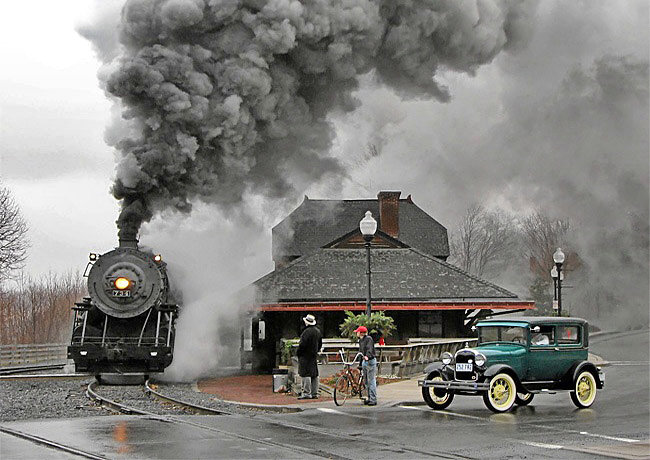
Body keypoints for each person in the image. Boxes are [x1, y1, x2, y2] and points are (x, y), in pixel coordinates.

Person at [296, 314, 322, 400]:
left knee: (305, 374)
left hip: (305, 355)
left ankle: (306, 393)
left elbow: (302, 345)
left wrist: (298, 353)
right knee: (314, 374)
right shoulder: (317, 331)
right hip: (313, 355)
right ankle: (315, 393)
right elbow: (320, 344)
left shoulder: (306, 332)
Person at [355, 326, 377, 406]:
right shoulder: (361, 340)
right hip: (364, 361)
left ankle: (373, 399)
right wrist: (360, 364)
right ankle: (369, 397)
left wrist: (367, 356)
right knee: (366, 381)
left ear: (361, 333)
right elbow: (360, 352)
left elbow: (369, 349)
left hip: (370, 360)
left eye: (357, 332)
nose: (356, 333)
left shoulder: (368, 339)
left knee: (371, 380)